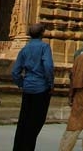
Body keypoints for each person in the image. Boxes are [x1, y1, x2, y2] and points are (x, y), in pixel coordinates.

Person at [11, 23, 54, 151]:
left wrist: (21, 83)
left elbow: (15, 71)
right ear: (42, 33)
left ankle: (18, 147)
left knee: (23, 120)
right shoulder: (44, 47)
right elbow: (48, 66)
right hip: (41, 88)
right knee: (36, 121)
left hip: (28, 87)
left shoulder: (25, 49)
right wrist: (50, 82)